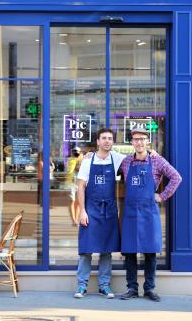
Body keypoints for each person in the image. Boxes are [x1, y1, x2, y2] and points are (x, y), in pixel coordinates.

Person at [119, 127, 182, 302]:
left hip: (148, 211)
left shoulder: (157, 160)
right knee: (130, 252)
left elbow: (176, 177)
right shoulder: (125, 162)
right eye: (135, 139)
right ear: (131, 142)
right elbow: (106, 161)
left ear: (147, 141)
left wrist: (162, 196)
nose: (139, 142)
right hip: (130, 212)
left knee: (150, 252)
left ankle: (149, 289)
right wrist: (88, 156)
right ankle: (132, 288)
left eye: (142, 139)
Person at [74, 127, 126, 299]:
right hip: (91, 210)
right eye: (103, 138)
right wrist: (82, 211)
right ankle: (82, 286)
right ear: (97, 141)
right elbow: (80, 187)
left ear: (113, 141)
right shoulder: (88, 161)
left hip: (109, 210)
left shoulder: (117, 158)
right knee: (86, 249)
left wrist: (152, 153)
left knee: (106, 250)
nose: (107, 141)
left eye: (110, 138)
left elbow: (136, 159)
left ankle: (104, 286)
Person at [65, 147, 83, 226]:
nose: (76, 153)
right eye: (74, 151)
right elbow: (71, 170)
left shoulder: (82, 160)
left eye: (77, 151)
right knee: (72, 200)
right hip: (71, 182)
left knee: (78, 202)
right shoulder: (71, 160)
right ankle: (74, 220)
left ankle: (76, 219)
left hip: (79, 183)